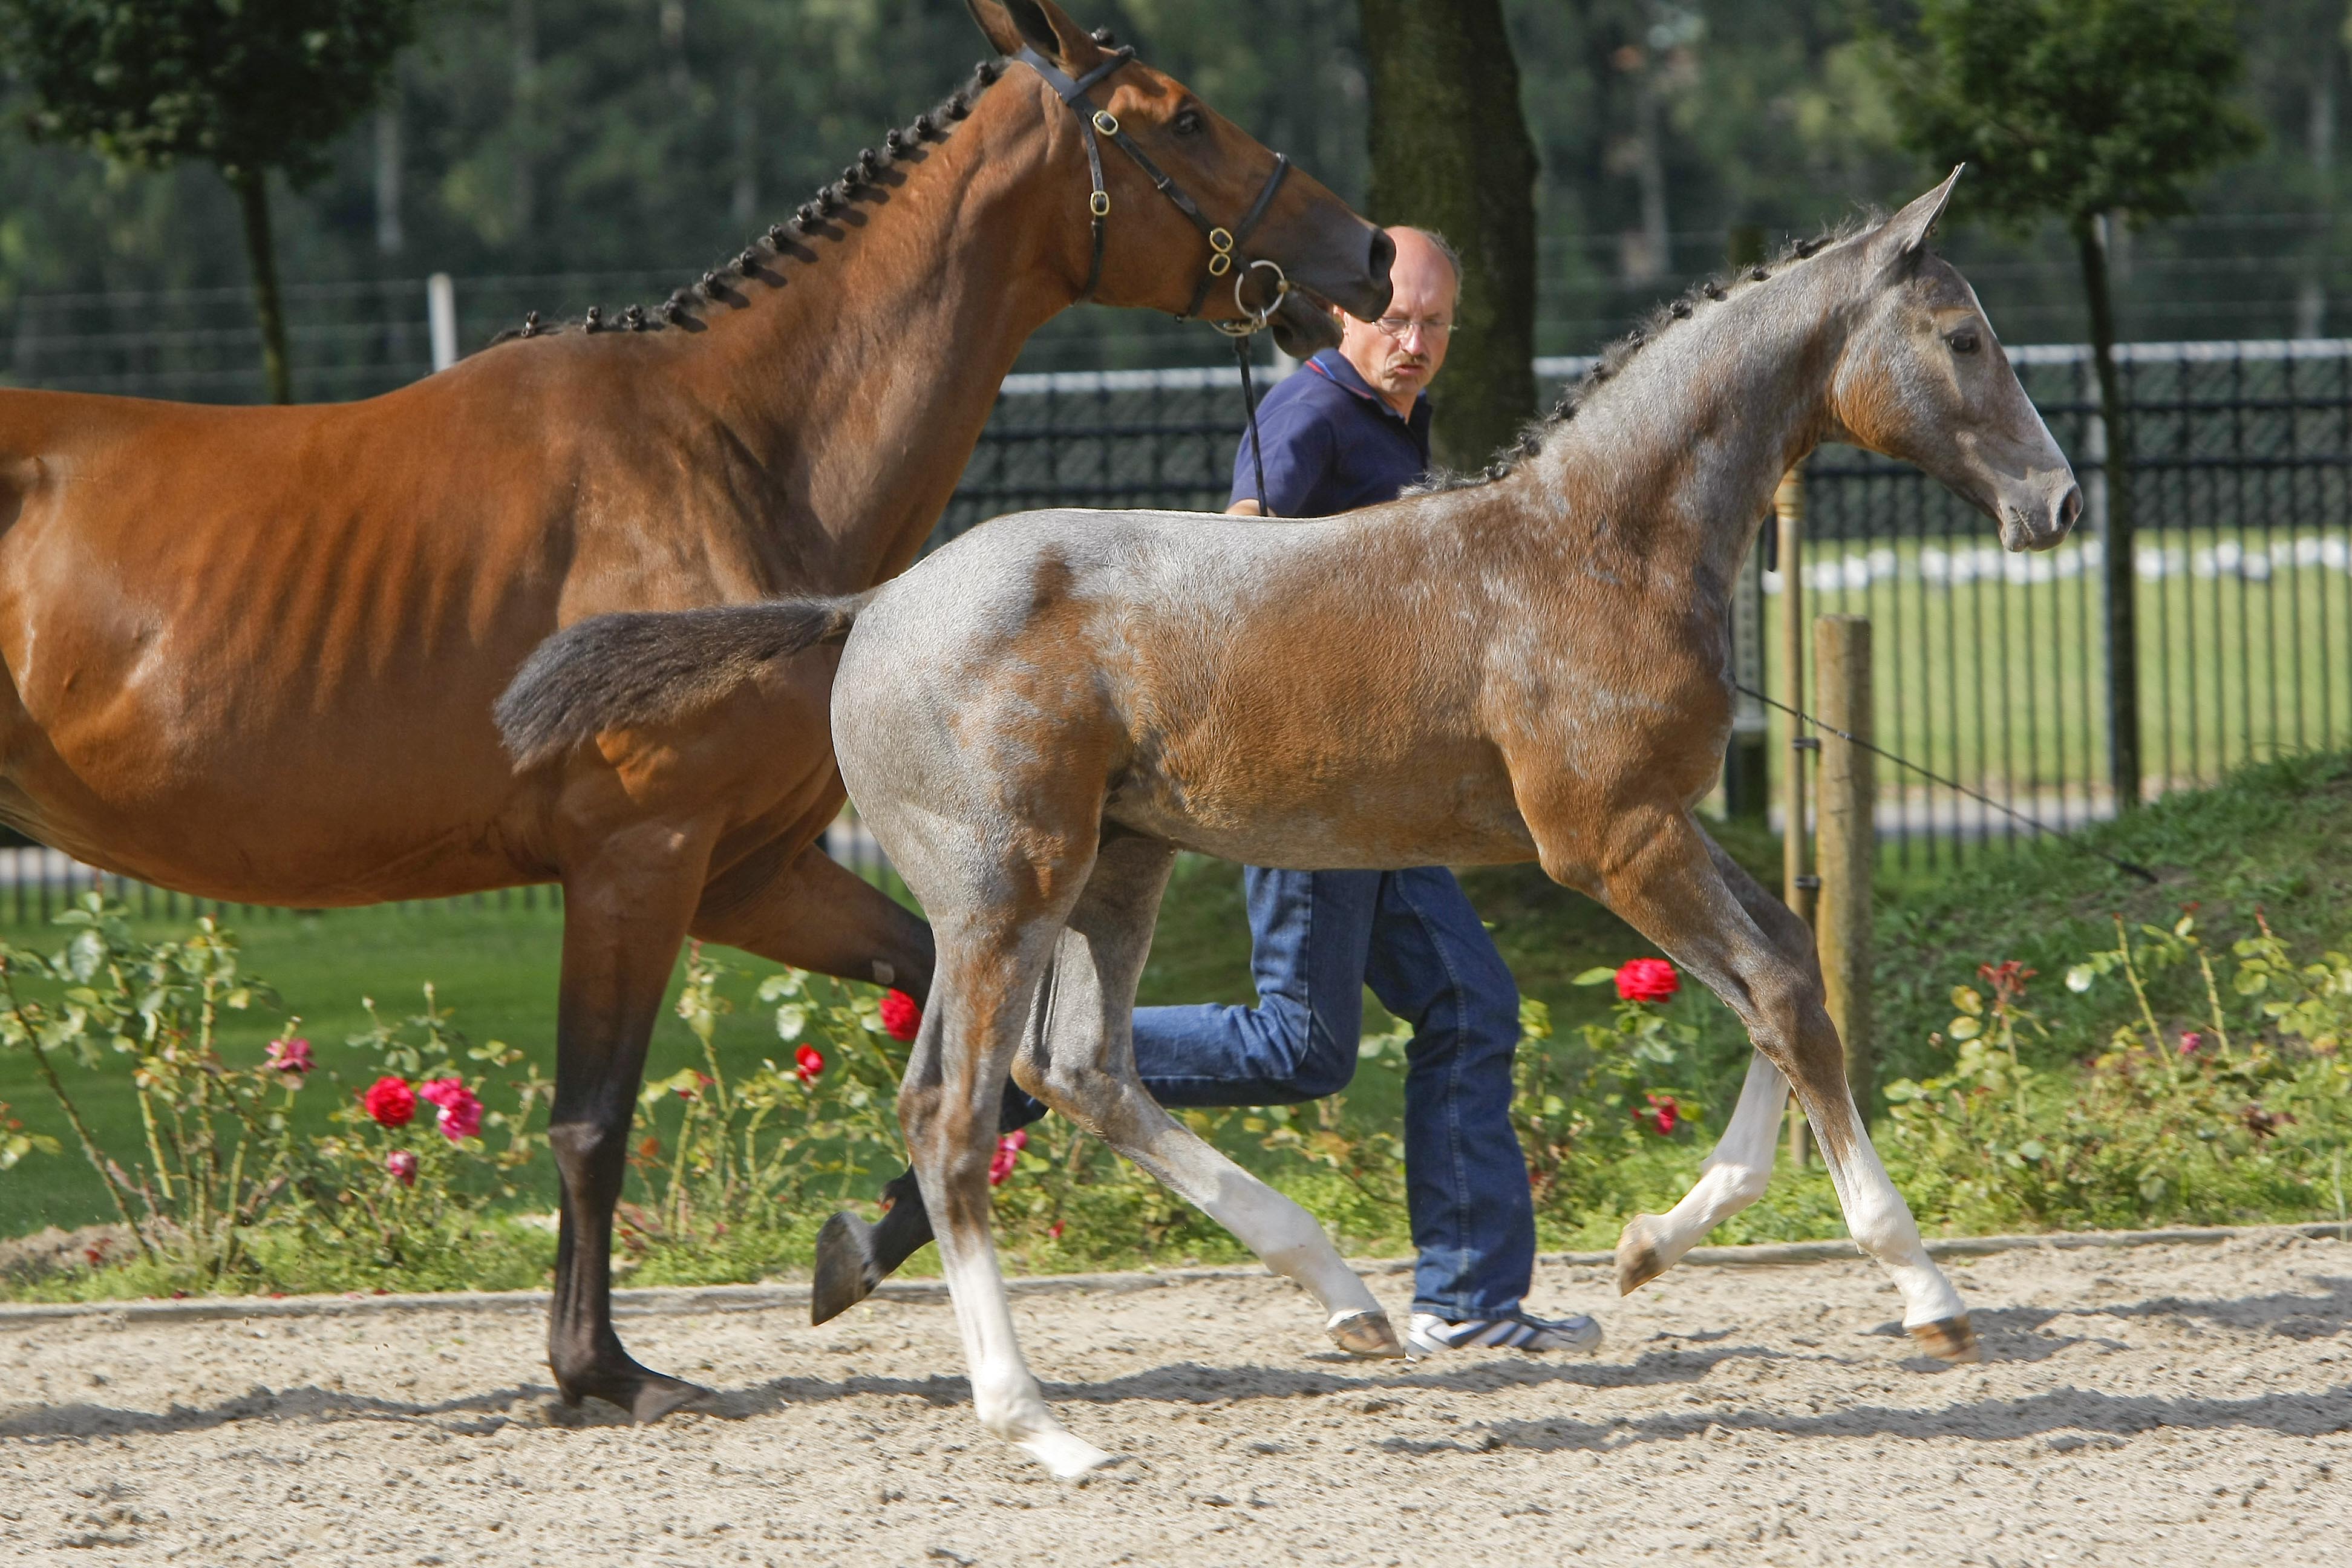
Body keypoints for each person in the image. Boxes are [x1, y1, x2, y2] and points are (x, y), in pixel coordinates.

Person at [822, 228, 1599, 1358]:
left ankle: (1470, 1303)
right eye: (1396, 319)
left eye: (1437, 323)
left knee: (1471, 1006)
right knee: (1299, 1046)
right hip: (1307, 786)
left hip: (1383, 792)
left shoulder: (1389, 417)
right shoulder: (1311, 417)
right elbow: (1241, 564)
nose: (1417, 342)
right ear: (1344, 311)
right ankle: (1039, 1067)